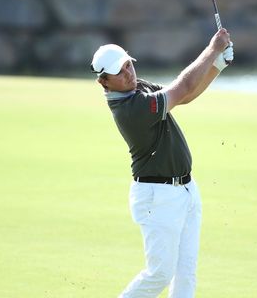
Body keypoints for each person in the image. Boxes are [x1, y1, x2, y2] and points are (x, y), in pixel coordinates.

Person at [90, 28, 233, 298]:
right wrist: (213, 49)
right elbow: (183, 87)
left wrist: (218, 65)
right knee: (159, 274)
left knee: (186, 273)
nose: (128, 73)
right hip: (159, 198)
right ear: (104, 82)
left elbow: (185, 96)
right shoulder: (132, 110)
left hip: (186, 190)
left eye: (128, 65)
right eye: (119, 72)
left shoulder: (137, 87)